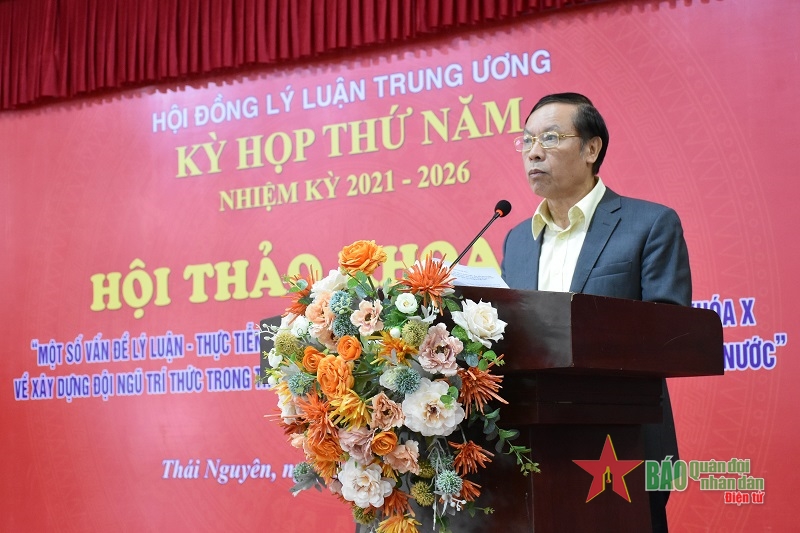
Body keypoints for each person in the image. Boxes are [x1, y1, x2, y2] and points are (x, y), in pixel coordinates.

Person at [501, 92, 690, 532]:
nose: (533, 152)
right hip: (535, 449)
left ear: (591, 148)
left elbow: (670, 332)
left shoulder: (650, 224)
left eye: (550, 138)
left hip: (624, 446)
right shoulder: (517, 239)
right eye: (527, 140)